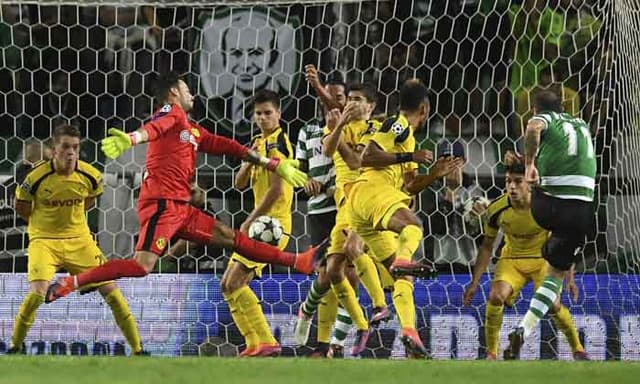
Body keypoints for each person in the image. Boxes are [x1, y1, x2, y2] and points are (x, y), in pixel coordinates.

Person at [45, 71, 319, 303]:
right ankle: (72, 282)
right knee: (141, 266)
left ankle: (298, 261)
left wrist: (271, 164)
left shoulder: (191, 130)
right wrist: (131, 138)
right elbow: (155, 127)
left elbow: (227, 145)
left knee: (231, 236)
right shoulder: (171, 112)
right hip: (161, 204)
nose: (193, 95)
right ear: (174, 92)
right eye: (188, 90)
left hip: (181, 207)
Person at [347, 79, 463, 358]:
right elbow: (366, 156)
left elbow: (409, 186)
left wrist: (434, 174)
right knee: (413, 226)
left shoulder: (406, 134)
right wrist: (410, 155)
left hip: (365, 208)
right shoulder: (397, 124)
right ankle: (401, 261)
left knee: (405, 279)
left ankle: (409, 333)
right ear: (424, 108)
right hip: (370, 192)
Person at [9, 125, 146, 355]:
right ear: (54, 150)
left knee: (112, 291)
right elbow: (22, 207)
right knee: (37, 293)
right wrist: (44, 226)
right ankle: (15, 345)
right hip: (44, 240)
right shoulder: (35, 177)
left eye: (75, 147)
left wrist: (73, 224)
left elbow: (90, 200)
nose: (71, 152)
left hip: (80, 242)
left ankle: (139, 350)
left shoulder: (91, 175)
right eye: (65, 147)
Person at [463, 152, 588, 360]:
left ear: (529, 184)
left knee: (553, 304)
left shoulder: (546, 206)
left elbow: (565, 241)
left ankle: (578, 349)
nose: (511, 187)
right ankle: (491, 353)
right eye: (508, 181)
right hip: (512, 260)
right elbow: (487, 246)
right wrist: (474, 283)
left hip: (543, 261)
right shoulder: (496, 209)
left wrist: (570, 276)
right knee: (495, 296)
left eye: (518, 182)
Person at [504, 90, 596, 359]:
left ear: (535, 108)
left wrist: (529, 164)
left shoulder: (543, 119)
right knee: (556, 271)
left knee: (553, 272)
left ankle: (523, 329)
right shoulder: (581, 125)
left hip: (546, 207)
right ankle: (525, 328)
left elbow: (534, 127)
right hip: (580, 211)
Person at [316, 83, 393, 357]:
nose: (351, 103)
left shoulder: (378, 130)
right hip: (342, 201)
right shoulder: (340, 124)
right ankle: (361, 325)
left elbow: (356, 163)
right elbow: (327, 151)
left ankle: (379, 305)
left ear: (371, 106)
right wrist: (338, 126)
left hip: (366, 194)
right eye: (349, 99)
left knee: (353, 249)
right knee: (334, 270)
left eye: (358, 99)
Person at [220, 90, 295, 357]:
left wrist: (249, 220)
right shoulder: (259, 143)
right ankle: (253, 344)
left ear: (279, 114)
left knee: (236, 281)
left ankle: (267, 341)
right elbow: (238, 184)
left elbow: (276, 190)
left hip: (272, 227)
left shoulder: (280, 145)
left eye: (268, 113)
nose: (263, 118)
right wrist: (248, 157)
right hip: (260, 225)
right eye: (259, 114)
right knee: (227, 284)